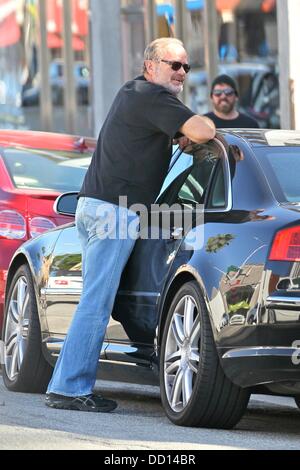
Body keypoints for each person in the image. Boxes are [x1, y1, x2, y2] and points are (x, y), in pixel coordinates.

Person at [45, 37, 216, 413]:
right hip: (115, 212)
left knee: (93, 301)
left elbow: (173, 135)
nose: (182, 73)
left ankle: (64, 384)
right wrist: (207, 130)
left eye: (187, 67)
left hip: (95, 206)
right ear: (151, 64)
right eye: (175, 65)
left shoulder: (133, 94)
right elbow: (202, 131)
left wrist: (180, 136)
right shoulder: (154, 96)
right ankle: (71, 389)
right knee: (96, 302)